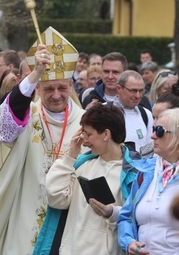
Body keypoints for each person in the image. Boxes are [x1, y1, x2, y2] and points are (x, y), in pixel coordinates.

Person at [0, 27, 83, 254]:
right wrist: (35, 74)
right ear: (38, 89)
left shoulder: (85, 122)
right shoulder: (28, 113)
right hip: (27, 208)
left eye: (62, 88)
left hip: (73, 215)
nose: (56, 95)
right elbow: (7, 123)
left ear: (72, 86)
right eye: (48, 88)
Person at [37, 104, 138, 254]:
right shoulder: (81, 164)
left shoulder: (135, 173)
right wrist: (70, 156)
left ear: (106, 134)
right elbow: (56, 199)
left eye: (88, 134)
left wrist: (112, 212)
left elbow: (137, 217)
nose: (84, 141)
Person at [118, 108, 179, 255]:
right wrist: (129, 242)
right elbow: (126, 216)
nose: (152, 136)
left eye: (159, 131)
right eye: (153, 129)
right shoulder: (146, 171)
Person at [82, 52, 151, 111]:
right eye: (106, 71)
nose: (110, 76)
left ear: (125, 72)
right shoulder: (89, 99)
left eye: (115, 72)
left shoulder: (139, 100)